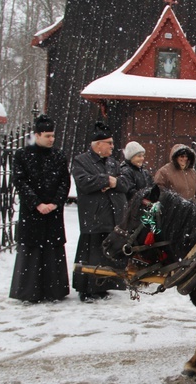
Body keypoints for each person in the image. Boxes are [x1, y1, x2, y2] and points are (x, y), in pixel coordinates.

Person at [9, 114, 70, 303]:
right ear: (37, 135)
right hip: (32, 213)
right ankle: (29, 291)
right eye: (47, 136)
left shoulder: (59, 156)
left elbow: (64, 182)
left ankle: (54, 291)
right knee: (31, 252)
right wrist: (37, 203)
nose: (51, 139)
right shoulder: (23, 155)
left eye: (53, 136)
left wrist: (54, 203)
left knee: (53, 253)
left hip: (52, 212)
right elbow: (20, 182)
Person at [71, 122, 132, 303]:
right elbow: (84, 182)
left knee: (108, 253)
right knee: (92, 253)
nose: (113, 147)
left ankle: (105, 285)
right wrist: (106, 180)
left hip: (113, 216)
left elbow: (125, 184)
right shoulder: (81, 161)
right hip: (94, 216)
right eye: (109, 143)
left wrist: (112, 183)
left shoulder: (113, 163)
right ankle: (87, 289)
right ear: (98, 144)